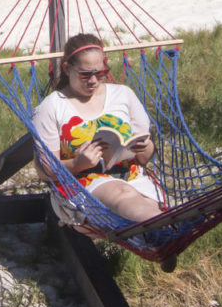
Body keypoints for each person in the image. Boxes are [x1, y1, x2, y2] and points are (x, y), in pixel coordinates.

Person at [32, 32, 164, 222]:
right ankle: (162, 228)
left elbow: (144, 158)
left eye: (100, 73)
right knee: (122, 193)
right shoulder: (52, 106)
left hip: (134, 178)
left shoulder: (124, 95)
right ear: (67, 68)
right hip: (82, 187)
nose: (93, 80)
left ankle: (163, 231)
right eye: (85, 74)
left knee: (146, 202)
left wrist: (146, 147)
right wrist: (77, 164)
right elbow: (47, 171)